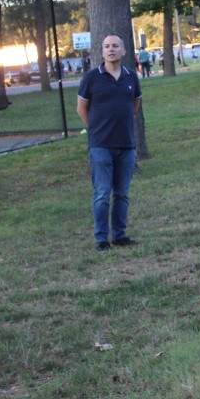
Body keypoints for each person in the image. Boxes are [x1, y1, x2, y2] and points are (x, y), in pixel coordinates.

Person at [77, 35, 142, 251]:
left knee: (122, 194)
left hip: (126, 145)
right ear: (102, 51)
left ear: (124, 51)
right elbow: (81, 108)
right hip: (100, 146)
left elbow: (135, 105)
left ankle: (120, 235)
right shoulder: (91, 78)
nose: (111, 49)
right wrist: (96, 129)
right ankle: (102, 239)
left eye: (115, 46)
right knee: (102, 195)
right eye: (107, 46)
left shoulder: (131, 77)